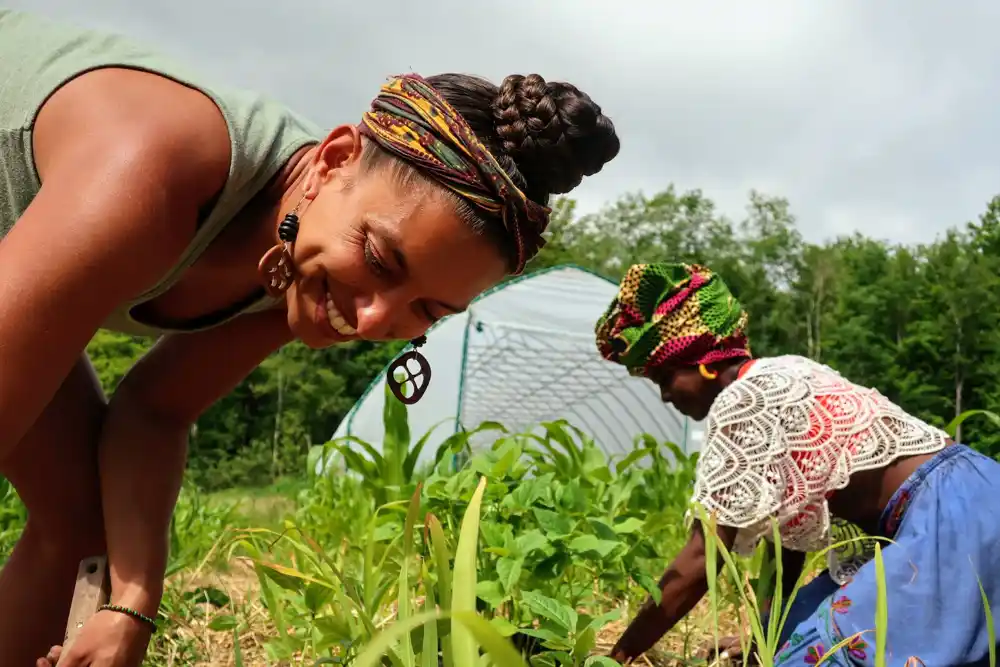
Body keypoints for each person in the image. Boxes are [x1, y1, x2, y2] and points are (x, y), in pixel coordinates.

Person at [0, 8, 621, 667]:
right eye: (381, 261)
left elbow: (153, 411)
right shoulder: (148, 174)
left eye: (428, 310)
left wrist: (132, 596)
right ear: (334, 158)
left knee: (83, 524)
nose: (375, 320)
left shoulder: (304, 265)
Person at [595, 262, 1000, 666]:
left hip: (949, 519)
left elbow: (704, 556)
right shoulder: (784, 372)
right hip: (974, 494)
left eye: (665, 378)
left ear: (706, 361)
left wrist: (619, 655)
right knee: (802, 643)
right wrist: (767, 637)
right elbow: (784, 547)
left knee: (832, 653)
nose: (666, 396)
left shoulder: (744, 401)